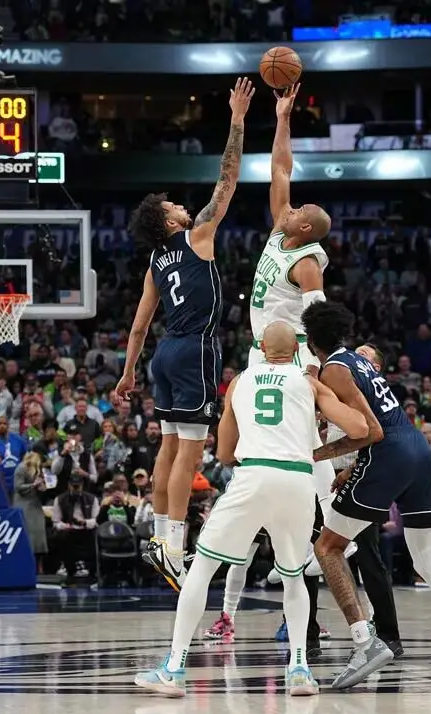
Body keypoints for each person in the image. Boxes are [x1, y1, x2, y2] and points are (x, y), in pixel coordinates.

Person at [134, 322, 370, 698]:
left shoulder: (241, 382)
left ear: (260, 347)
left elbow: (226, 454)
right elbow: (358, 426)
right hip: (297, 480)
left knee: (203, 569)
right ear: (296, 351)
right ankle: (298, 670)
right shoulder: (308, 382)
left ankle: (174, 668)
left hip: (253, 475)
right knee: (294, 577)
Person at [203, 83, 342, 647]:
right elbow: (280, 169)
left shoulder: (308, 261)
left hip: (292, 370)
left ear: (306, 228)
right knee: (253, 493)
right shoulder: (283, 228)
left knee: (314, 500)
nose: (295, 204)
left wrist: (320, 382)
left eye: (304, 210)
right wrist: (282, 117)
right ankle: (232, 613)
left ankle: (311, 600)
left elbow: (323, 324)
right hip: (263, 360)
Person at [302, 301, 431, 691]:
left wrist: (315, 455)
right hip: (418, 452)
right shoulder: (360, 362)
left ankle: (365, 642)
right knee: (429, 562)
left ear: (311, 342)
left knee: (327, 548)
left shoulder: (335, 369)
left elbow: (370, 432)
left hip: (388, 454)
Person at [115, 78, 254, 591]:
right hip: (194, 348)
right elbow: (228, 179)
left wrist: (129, 372)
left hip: (163, 354)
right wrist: (238, 118)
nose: (181, 204)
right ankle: (174, 546)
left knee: (169, 447)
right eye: (173, 204)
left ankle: (158, 536)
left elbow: (137, 326)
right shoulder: (197, 237)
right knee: (189, 452)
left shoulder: (154, 262)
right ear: (167, 220)